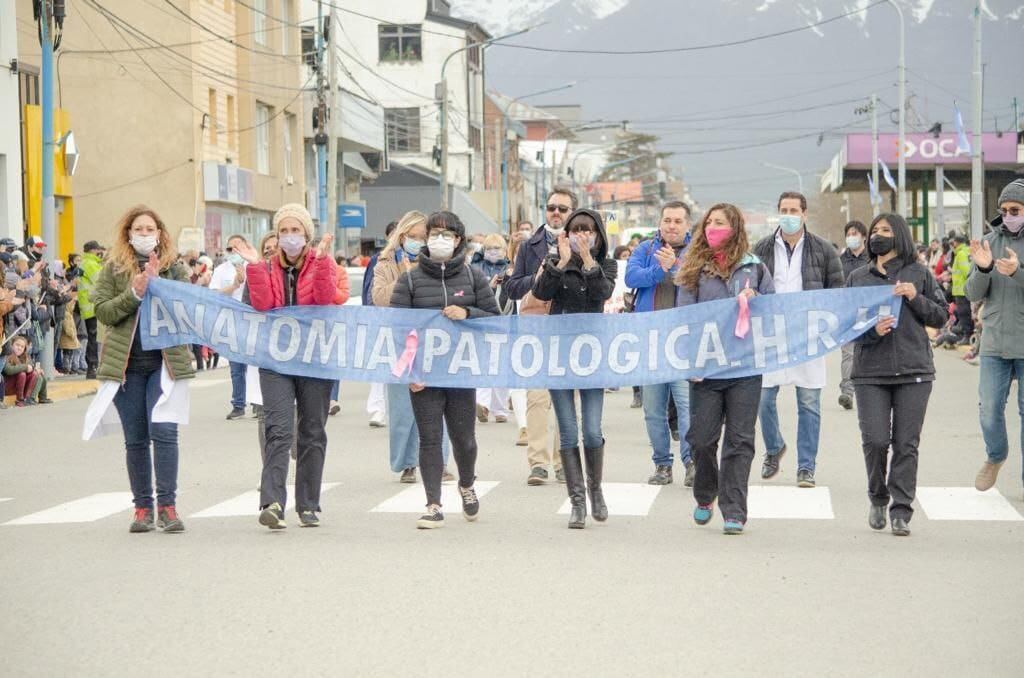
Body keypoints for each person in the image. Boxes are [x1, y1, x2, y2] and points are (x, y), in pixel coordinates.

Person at [390, 210, 500, 529]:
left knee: (463, 439)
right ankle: (433, 504)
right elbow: (397, 330)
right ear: (426, 239)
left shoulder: (473, 277)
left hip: (461, 371)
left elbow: (493, 319)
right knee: (430, 438)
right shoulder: (409, 280)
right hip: (424, 374)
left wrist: (467, 312)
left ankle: (466, 484)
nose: (440, 239)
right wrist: (410, 371)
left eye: (447, 234)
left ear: (458, 241)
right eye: (434, 233)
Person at [92, 205, 195, 533]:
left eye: (151, 229)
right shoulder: (112, 269)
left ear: (161, 234)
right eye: (140, 229)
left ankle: (167, 506)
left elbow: (188, 309)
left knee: (164, 432)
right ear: (128, 234)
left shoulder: (174, 268)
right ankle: (142, 508)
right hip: (126, 367)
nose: (145, 235)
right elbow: (104, 312)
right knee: (136, 439)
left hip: (164, 365)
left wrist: (157, 284)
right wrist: (134, 292)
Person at [239, 204, 340, 530]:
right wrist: (255, 267)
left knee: (312, 431)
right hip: (277, 360)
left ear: (307, 235)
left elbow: (325, 300)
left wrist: (323, 263)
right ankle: (273, 501)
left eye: (296, 230)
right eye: (284, 230)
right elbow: (263, 305)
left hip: (314, 359)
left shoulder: (322, 261)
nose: (290, 237)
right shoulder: (267, 267)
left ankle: (308, 505)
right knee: (278, 430)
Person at [846, 213, 947, 536]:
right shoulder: (859, 277)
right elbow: (845, 326)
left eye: (886, 230)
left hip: (914, 370)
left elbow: (941, 316)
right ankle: (878, 496)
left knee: (906, 443)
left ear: (899, 235)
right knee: (876, 441)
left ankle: (901, 509)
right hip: (869, 373)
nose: (878, 235)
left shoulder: (919, 273)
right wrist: (872, 331)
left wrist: (914, 298)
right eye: (874, 230)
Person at [676, 203, 774, 535]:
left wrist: (756, 297)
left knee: (740, 440)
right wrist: (692, 360)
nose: (712, 227)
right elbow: (684, 317)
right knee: (701, 439)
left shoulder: (754, 266)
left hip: (745, 366)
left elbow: (774, 309)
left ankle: (734, 509)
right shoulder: (694, 267)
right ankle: (706, 495)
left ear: (734, 228)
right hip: (707, 368)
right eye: (709, 223)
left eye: (720, 222)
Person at [533, 208, 618, 529]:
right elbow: (541, 293)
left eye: (588, 230)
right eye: (576, 230)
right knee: (567, 429)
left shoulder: (604, 264)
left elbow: (603, 292)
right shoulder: (555, 260)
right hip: (559, 355)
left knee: (592, 429)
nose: (582, 235)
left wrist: (587, 261)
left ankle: (596, 491)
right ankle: (577, 502)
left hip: (592, 355)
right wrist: (561, 262)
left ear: (597, 234)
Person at [754, 191, 844, 488]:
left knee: (809, 402)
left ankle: (806, 467)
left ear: (804, 214)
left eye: (794, 209)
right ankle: (774, 447)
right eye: (784, 209)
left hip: (809, 336)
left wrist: (828, 324)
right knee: (763, 398)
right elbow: (749, 283)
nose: (788, 214)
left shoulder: (823, 250)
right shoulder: (762, 248)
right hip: (771, 334)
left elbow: (837, 290)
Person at [372, 211, 456, 485]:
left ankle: (440, 462)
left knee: (437, 405)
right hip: (399, 343)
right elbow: (380, 299)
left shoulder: (440, 264)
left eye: (423, 237)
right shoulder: (385, 263)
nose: (418, 242)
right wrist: (406, 279)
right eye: (413, 237)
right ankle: (407, 463)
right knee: (401, 409)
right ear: (402, 236)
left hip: (432, 343)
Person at [505, 187, 577, 486]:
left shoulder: (584, 242)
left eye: (562, 208)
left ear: (572, 212)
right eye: (551, 208)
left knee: (566, 398)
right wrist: (536, 279)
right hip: (535, 325)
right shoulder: (528, 245)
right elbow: (512, 286)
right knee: (536, 397)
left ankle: (563, 462)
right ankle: (537, 462)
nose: (556, 213)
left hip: (569, 326)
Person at [625, 200, 695, 487]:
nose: (672, 226)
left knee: (687, 406)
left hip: (683, 344)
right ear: (660, 223)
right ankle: (662, 464)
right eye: (667, 220)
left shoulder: (697, 252)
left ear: (687, 225)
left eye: (678, 221)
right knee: (653, 410)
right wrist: (658, 269)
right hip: (651, 341)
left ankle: (692, 463)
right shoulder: (645, 249)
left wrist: (675, 266)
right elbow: (631, 277)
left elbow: (698, 283)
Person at [966, 179, 1024, 495]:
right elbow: (971, 292)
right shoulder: (990, 241)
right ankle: (995, 456)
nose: (1008, 215)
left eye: (1015, 210)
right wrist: (984, 269)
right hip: (995, 342)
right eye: (1004, 210)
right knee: (989, 408)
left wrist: (1017, 271)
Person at [471, 233, 512, 424]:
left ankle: (500, 408)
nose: (493, 252)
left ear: (505, 250)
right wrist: (490, 286)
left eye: (497, 248)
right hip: (482, 321)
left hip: (506, 321)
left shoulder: (510, 268)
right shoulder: (475, 268)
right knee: (483, 363)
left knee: (502, 365)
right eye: (489, 248)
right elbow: (471, 292)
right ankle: (482, 404)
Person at [209, 234, 250, 420]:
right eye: (230, 249)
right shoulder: (221, 270)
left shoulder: (255, 267)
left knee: (258, 366)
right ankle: (238, 404)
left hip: (253, 321)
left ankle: (259, 403)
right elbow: (214, 295)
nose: (234, 251)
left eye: (237, 247)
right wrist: (234, 285)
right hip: (232, 322)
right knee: (236, 367)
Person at [362, 222, 397, 428]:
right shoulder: (378, 260)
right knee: (379, 365)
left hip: (408, 324)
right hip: (382, 319)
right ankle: (377, 409)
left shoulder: (419, 260)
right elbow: (369, 290)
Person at [838, 220, 870, 410]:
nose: (852, 237)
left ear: (864, 237)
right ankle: (847, 392)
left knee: (869, 353)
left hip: (869, 312)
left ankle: (869, 390)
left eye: (855, 233)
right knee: (848, 353)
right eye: (849, 233)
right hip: (847, 313)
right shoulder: (840, 261)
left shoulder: (873, 259)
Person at [78, 240, 105, 380]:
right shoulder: (91, 264)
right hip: (92, 306)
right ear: (93, 250)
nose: (100, 252)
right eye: (98, 250)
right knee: (93, 337)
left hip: (88, 306)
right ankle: (92, 367)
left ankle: (92, 366)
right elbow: (102, 281)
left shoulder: (86, 263)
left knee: (92, 337)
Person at [3, 335, 49, 406]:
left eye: (22, 347)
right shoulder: (7, 355)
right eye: (17, 345)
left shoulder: (25, 357)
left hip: (19, 387)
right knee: (22, 374)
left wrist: (37, 369)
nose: (19, 348)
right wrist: (25, 367)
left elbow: (31, 367)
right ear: (12, 345)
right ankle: (20, 400)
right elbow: (8, 370)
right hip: (7, 387)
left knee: (36, 374)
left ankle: (29, 398)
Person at [950, 232, 974, 345]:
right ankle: (965, 334)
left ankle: (966, 336)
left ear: (956, 242)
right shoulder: (966, 251)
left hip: (961, 290)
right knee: (965, 313)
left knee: (964, 314)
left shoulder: (960, 254)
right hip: (964, 289)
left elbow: (966, 271)